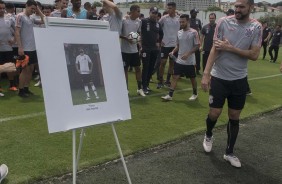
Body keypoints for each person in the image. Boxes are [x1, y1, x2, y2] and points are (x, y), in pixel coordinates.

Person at [201, 0, 262, 168]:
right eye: (236, 6)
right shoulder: (223, 22)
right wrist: (206, 74)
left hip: (239, 79)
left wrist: (231, 48)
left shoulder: (256, 27)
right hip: (219, 77)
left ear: (251, 7)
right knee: (214, 112)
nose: (237, 9)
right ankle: (208, 134)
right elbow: (215, 48)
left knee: (234, 116)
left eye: (241, 7)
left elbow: (254, 55)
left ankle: (229, 152)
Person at [161, 14, 200, 101]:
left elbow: (197, 45)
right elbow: (178, 45)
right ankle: (170, 95)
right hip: (179, 60)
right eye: (180, 22)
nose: (181, 23)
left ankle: (195, 93)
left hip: (190, 61)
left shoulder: (194, 32)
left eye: (183, 22)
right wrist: (173, 51)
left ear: (188, 21)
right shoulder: (179, 32)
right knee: (175, 76)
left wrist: (188, 54)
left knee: (192, 78)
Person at [15, 0, 45, 97]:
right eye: (31, 8)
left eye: (34, 9)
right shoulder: (20, 16)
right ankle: (21, 90)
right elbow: (17, 32)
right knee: (25, 70)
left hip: (33, 48)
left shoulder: (31, 18)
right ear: (26, 6)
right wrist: (20, 47)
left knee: (31, 69)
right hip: (25, 48)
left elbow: (44, 20)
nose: (33, 10)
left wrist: (38, 10)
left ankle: (26, 88)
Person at [120, 5, 145, 96]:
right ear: (133, 11)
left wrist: (137, 39)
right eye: (138, 11)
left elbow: (138, 32)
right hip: (124, 50)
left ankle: (139, 88)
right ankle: (126, 89)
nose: (139, 13)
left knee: (138, 68)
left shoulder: (139, 21)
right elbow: (118, 33)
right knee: (125, 69)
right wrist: (127, 38)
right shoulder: (124, 20)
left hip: (134, 50)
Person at [157, 2, 179, 89]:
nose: (168, 10)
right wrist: (159, 40)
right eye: (167, 8)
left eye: (170, 8)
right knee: (162, 62)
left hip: (174, 45)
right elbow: (157, 28)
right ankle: (160, 81)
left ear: (174, 8)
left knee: (172, 63)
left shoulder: (178, 19)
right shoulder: (163, 19)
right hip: (165, 44)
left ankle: (168, 80)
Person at [140, 7, 161, 94]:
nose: (154, 14)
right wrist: (140, 45)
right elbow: (138, 31)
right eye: (153, 13)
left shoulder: (158, 24)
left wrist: (158, 42)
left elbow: (161, 34)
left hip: (154, 49)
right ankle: (143, 86)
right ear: (149, 13)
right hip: (145, 48)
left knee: (151, 68)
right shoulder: (144, 21)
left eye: (156, 13)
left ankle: (147, 85)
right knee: (145, 67)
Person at [0, 0, 18, 96]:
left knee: (10, 67)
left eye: (3, 8)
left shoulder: (9, 18)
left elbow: (16, 30)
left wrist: (14, 40)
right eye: (0, 8)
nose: (2, 10)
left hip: (8, 47)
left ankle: (12, 85)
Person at [189, 8, 202, 75]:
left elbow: (200, 30)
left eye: (196, 13)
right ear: (191, 13)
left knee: (197, 56)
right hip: (189, 41)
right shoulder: (188, 20)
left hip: (196, 41)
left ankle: (197, 69)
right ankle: (187, 69)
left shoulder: (198, 20)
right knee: (189, 54)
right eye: (195, 13)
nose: (196, 14)